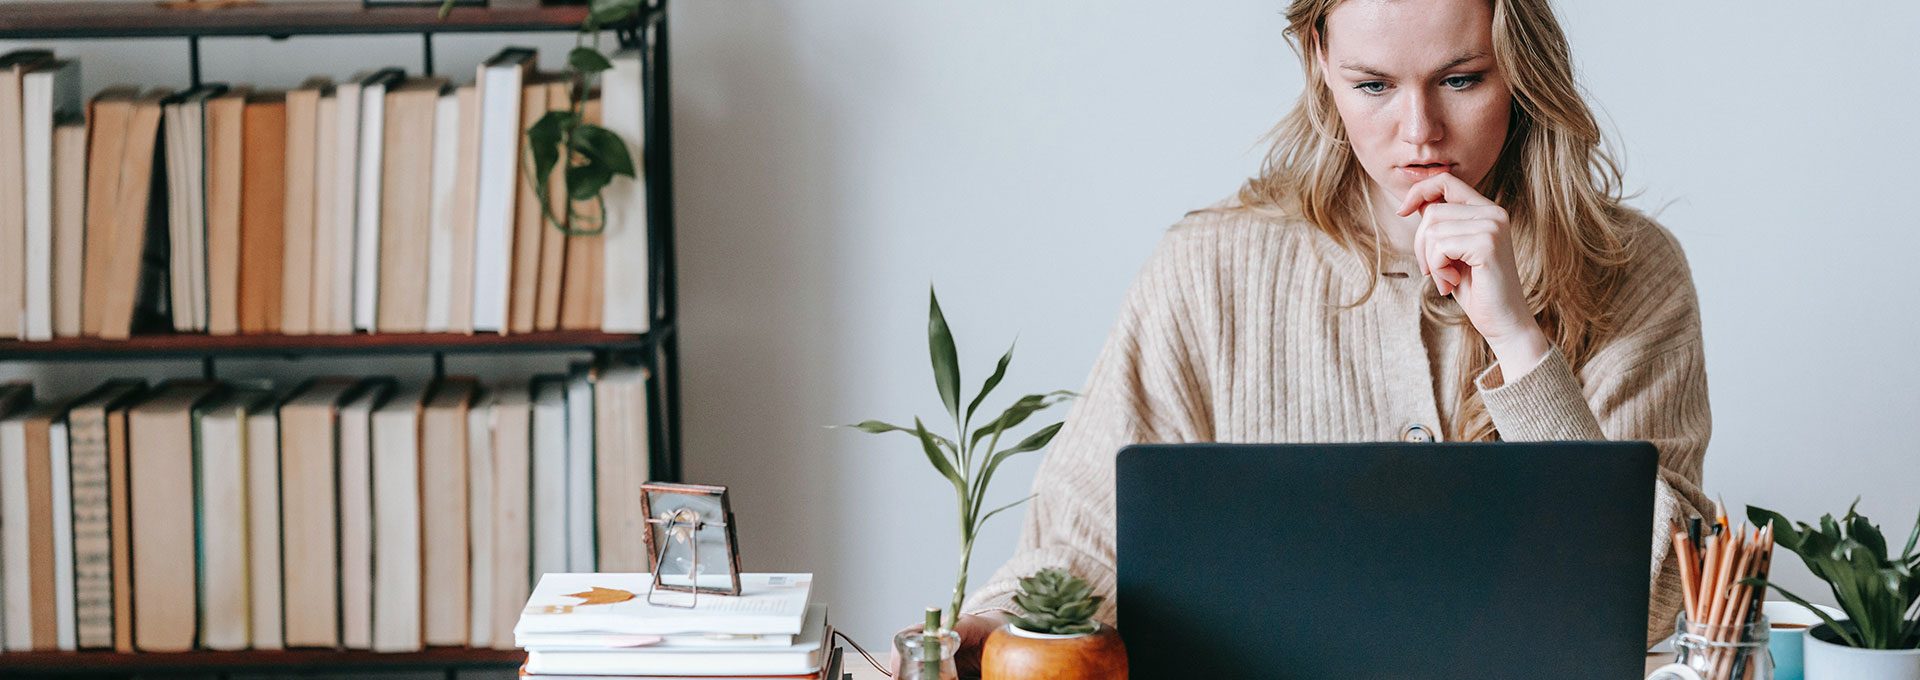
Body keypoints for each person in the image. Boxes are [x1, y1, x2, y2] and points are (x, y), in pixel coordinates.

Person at [904, 0, 1714, 674]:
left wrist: (1517, 339)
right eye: (1373, 86)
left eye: (1461, 80)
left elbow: (1657, 604)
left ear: (1523, 70)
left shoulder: (1632, 271)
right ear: (1319, 59)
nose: (1419, 131)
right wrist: (968, 643)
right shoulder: (1209, 268)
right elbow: (1079, 552)